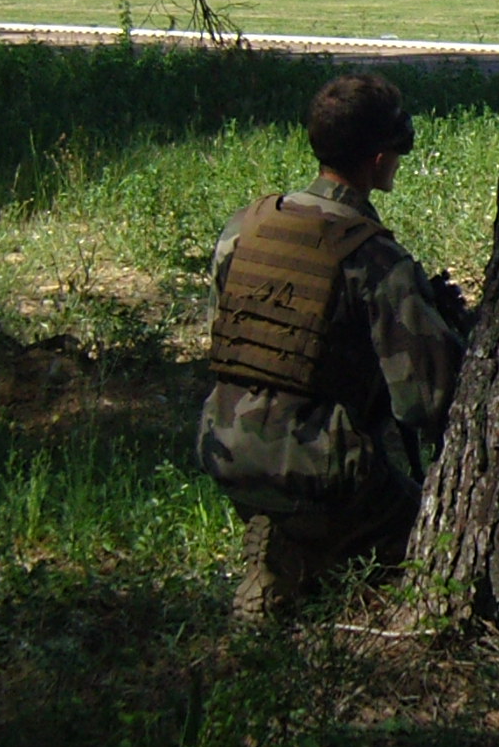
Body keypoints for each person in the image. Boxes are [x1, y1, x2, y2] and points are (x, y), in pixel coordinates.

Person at [197, 73, 469, 618]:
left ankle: (285, 537)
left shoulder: (245, 227)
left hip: (222, 446)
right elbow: (425, 402)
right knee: (426, 536)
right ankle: (303, 555)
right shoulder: (376, 259)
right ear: (379, 159)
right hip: (316, 465)